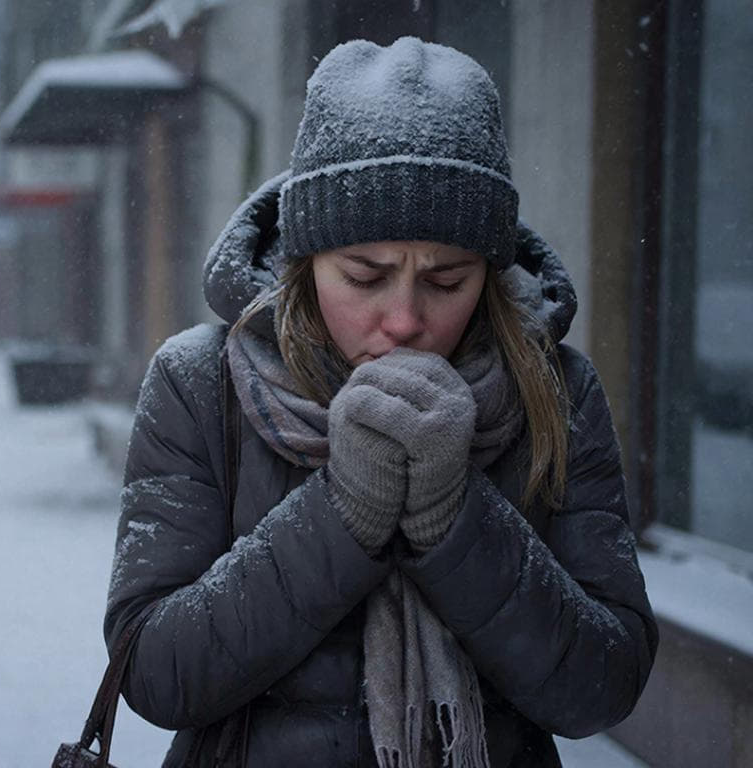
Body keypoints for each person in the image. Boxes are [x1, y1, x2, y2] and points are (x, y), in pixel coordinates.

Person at [105, 37, 657, 768]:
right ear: (305, 262)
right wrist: (343, 510)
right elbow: (154, 671)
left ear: (489, 274)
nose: (404, 318)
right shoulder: (202, 383)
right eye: (365, 276)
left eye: (447, 279)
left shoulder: (555, 391)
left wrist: (452, 514)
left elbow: (603, 686)